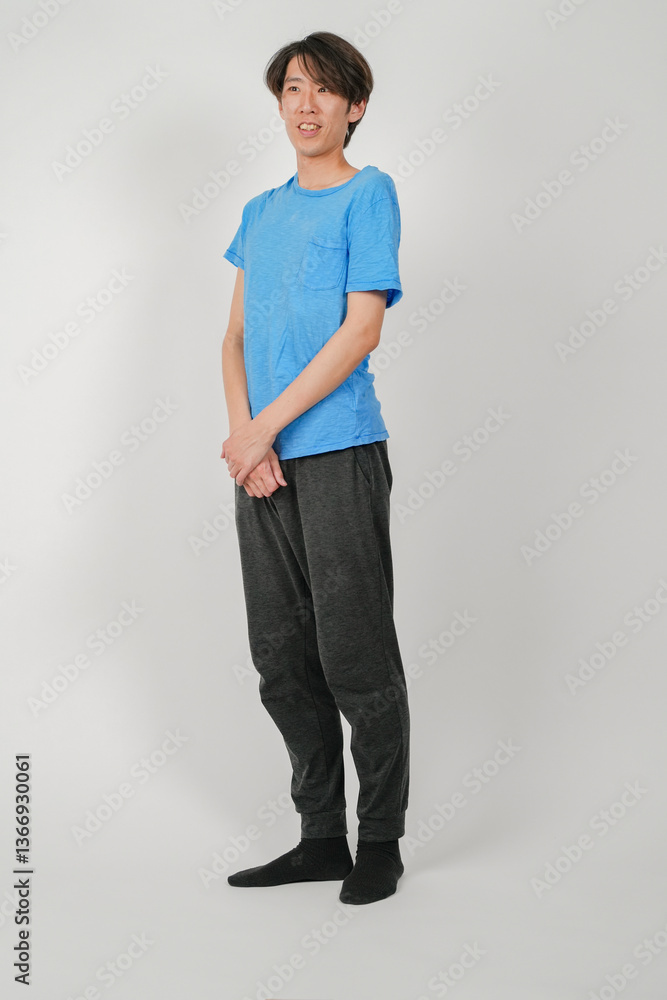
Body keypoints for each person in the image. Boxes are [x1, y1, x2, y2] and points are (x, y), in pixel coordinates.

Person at [220, 30, 410, 905]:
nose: (306, 104)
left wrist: (263, 429)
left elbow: (361, 329)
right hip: (260, 465)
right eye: (293, 88)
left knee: (355, 654)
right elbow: (234, 337)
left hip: (336, 452)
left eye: (325, 90)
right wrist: (245, 439)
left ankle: (381, 841)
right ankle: (320, 837)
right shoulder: (260, 212)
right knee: (281, 658)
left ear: (353, 106)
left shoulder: (369, 194)